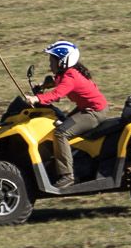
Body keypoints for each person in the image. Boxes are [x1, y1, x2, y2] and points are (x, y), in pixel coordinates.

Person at [26, 40, 108, 188]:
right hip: (85, 108)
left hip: (94, 113)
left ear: (63, 62)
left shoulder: (70, 77)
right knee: (61, 121)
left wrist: (36, 98)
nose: (50, 64)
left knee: (60, 133)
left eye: (52, 60)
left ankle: (67, 176)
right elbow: (56, 82)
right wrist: (43, 86)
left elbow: (58, 94)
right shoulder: (66, 73)